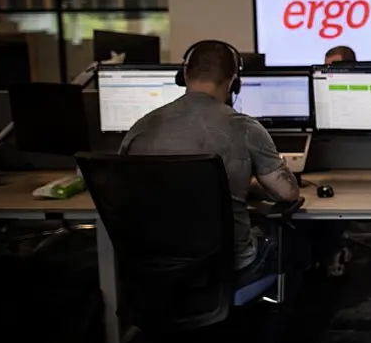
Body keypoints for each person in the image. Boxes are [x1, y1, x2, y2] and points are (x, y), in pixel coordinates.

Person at [119, 39, 301, 282]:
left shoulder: (141, 126)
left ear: (184, 74)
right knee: (296, 241)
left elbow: (122, 186)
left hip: (153, 263)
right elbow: (287, 193)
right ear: (234, 81)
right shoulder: (245, 128)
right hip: (226, 264)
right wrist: (247, 188)